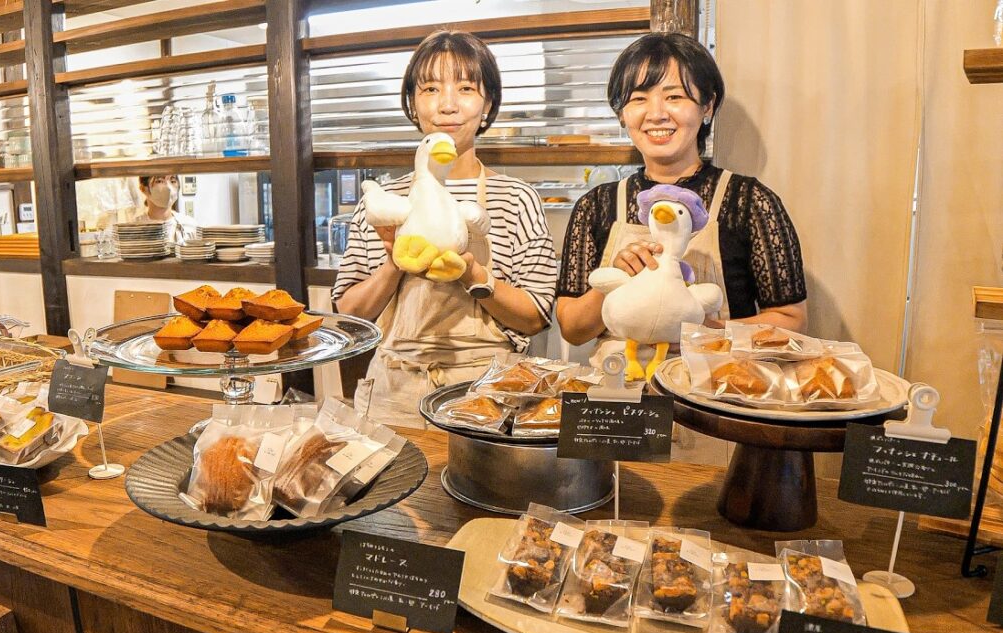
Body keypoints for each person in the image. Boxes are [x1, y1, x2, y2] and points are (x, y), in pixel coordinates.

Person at [333, 30, 558, 428]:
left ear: (487, 104)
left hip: (489, 391)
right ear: (413, 104)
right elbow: (349, 317)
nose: (448, 104)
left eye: (466, 88)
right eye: (431, 88)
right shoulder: (384, 201)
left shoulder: (517, 198)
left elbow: (535, 316)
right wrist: (394, 263)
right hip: (395, 392)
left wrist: (472, 274)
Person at [556, 32, 807, 368]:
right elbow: (572, 329)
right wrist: (614, 282)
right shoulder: (595, 206)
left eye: (674, 96)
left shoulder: (750, 201)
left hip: (715, 395)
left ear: (707, 106)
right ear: (621, 114)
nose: (656, 114)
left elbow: (791, 319)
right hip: (618, 399)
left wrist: (707, 330)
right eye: (638, 98)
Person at [133, 174, 197, 244]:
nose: (168, 188)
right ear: (143, 188)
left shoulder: (190, 226)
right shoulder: (133, 229)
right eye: (159, 181)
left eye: (172, 181)